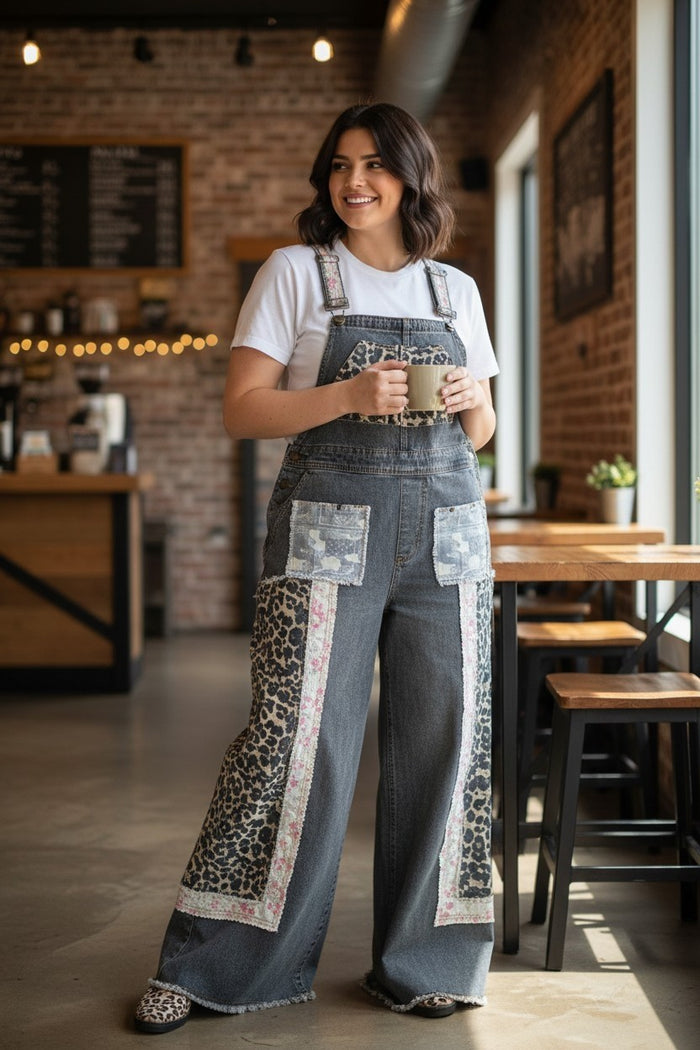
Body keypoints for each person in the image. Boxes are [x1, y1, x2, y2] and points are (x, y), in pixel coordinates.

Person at [134, 101, 498, 1035]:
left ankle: (428, 963)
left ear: (412, 177)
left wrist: (467, 397)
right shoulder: (296, 273)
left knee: (446, 742)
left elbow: (487, 429)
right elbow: (244, 412)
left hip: (450, 534)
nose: (355, 182)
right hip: (327, 529)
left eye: (376, 165)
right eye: (340, 165)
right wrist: (342, 392)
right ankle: (218, 964)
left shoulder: (455, 290)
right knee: (293, 741)